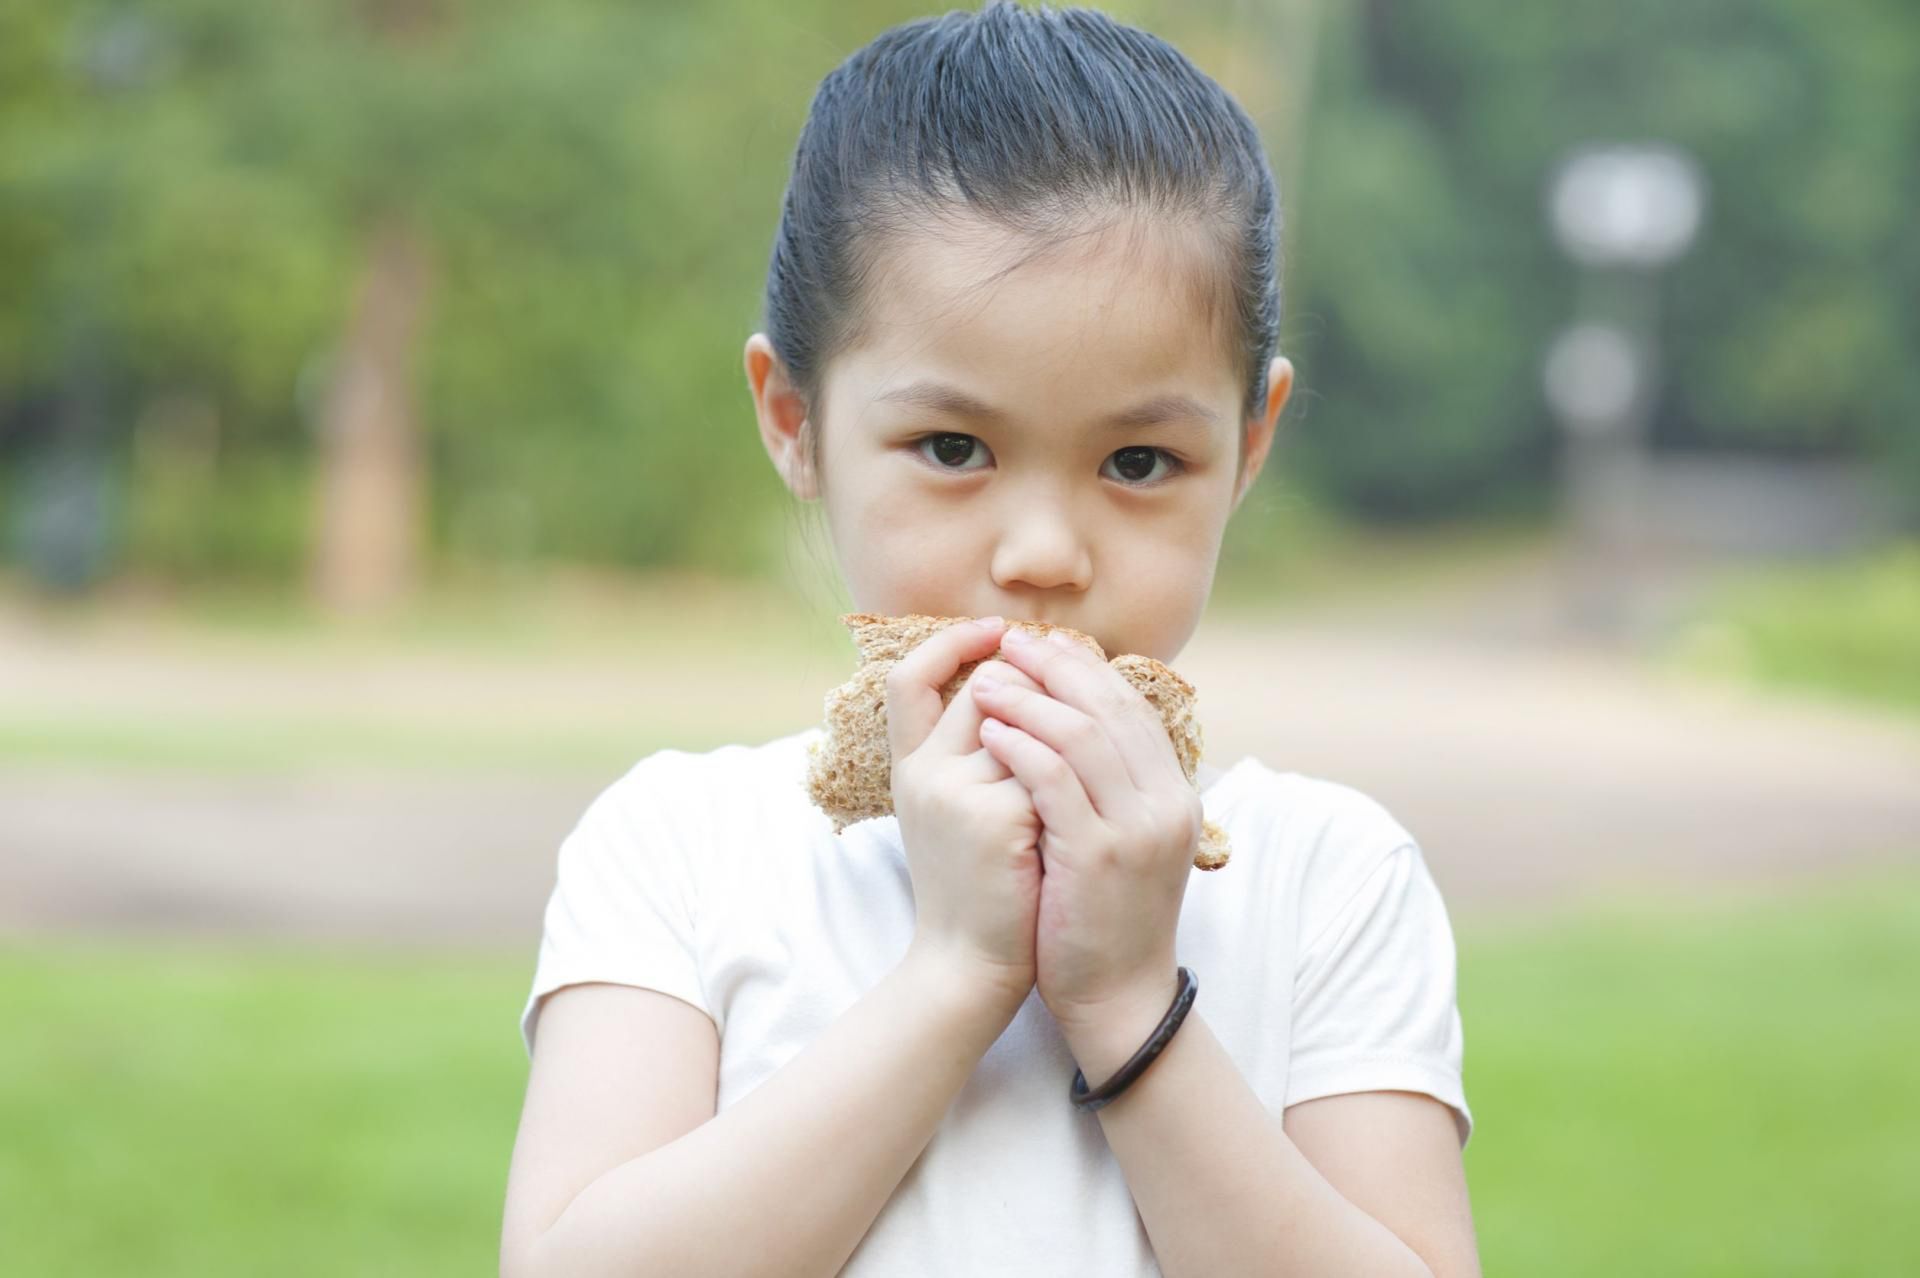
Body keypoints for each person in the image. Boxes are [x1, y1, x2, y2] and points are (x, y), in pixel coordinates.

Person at [500, 4, 1479, 1275]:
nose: (1043, 555)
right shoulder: (679, 851)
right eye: (953, 449)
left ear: (1249, 444)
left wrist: (1128, 1001)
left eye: (1139, 460)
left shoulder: (1330, 880)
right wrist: (957, 972)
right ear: (794, 418)